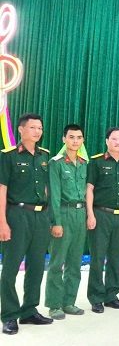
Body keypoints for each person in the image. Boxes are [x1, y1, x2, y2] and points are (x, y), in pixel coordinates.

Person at [0, 113, 52, 335]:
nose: (37, 131)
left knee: (37, 266)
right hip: (17, 215)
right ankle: (9, 315)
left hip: (40, 216)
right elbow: (2, 190)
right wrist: (2, 222)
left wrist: (49, 218)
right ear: (21, 129)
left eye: (40, 127)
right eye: (32, 127)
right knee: (10, 267)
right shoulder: (8, 156)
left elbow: (47, 189)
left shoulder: (44, 156)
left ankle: (29, 310)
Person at [86, 127, 119, 314]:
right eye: (114, 139)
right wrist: (90, 214)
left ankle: (111, 295)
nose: (117, 142)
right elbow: (89, 189)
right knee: (98, 258)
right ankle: (96, 297)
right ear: (107, 141)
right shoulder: (96, 162)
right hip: (101, 214)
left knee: (116, 257)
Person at [45, 124, 87, 320]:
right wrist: (56, 222)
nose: (75, 141)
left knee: (75, 262)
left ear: (83, 140)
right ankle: (54, 304)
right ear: (64, 139)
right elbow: (53, 195)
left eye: (79, 137)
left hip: (80, 214)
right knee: (57, 262)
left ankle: (69, 301)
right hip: (63, 212)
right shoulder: (56, 163)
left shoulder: (84, 163)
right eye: (71, 137)